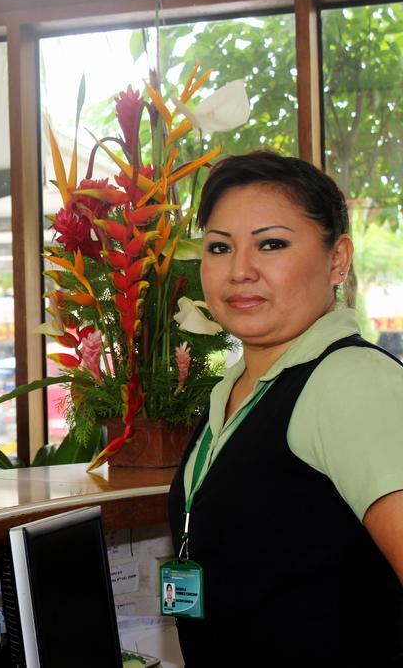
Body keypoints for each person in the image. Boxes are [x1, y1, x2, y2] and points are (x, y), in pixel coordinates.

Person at [167, 152, 403, 665]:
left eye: (271, 244)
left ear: (337, 259)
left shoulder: (348, 382)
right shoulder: (238, 389)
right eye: (219, 247)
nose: (240, 270)